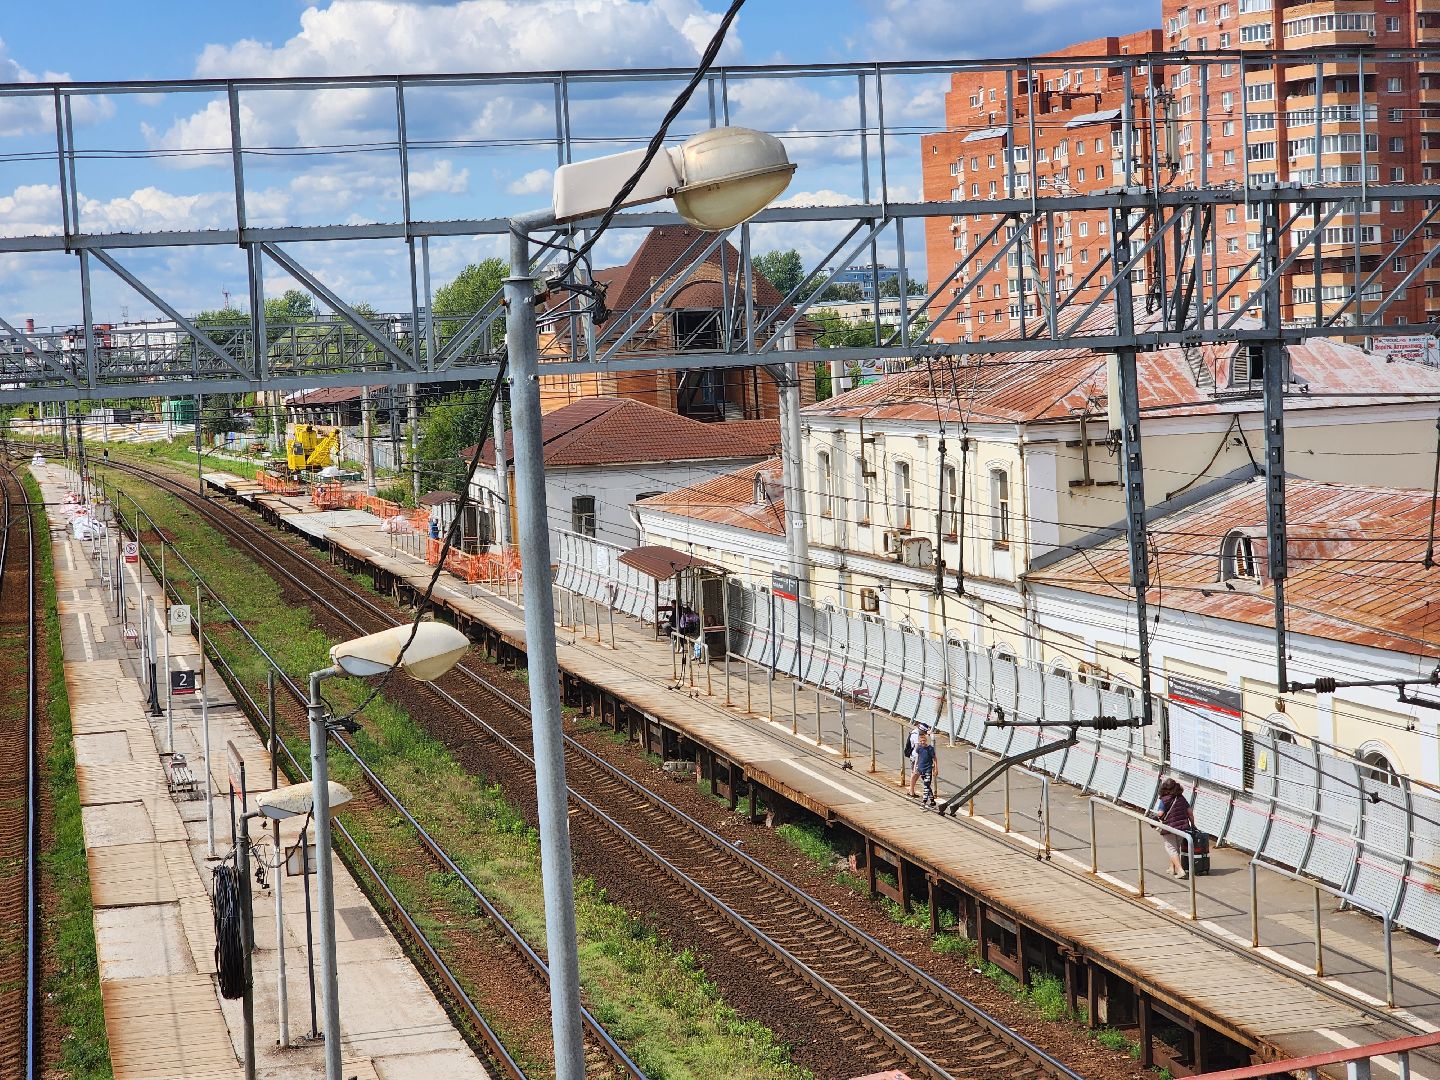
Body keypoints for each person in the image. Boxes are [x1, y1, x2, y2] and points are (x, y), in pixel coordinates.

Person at [1154, 778, 1195, 879]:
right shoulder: (1181, 798)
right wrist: (1193, 825)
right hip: (1183, 827)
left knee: (1171, 848)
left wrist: (1155, 817)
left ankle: (1180, 870)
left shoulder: (1164, 800)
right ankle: (1172, 868)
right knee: (1176, 847)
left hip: (1169, 827)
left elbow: (1160, 814)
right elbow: (1190, 813)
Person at [913, 728, 937, 809]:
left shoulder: (930, 748)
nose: (922, 742)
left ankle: (924, 802)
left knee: (926, 785)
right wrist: (915, 768)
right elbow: (918, 757)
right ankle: (932, 801)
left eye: (924, 741)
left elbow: (934, 758)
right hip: (921, 769)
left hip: (928, 769)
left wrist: (936, 768)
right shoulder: (919, 748)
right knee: (927, 785)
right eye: (921, 741)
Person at [905, 722, 927, 796]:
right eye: (924, 732)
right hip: (915, 756)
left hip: (915, 756)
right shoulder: (915, 735)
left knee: (916, 773)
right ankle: (911, 791)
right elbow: (918, 748)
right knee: (915, 773)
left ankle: (911, 790)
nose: (925, 734)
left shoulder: (915, 732)